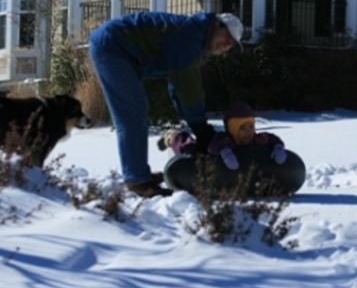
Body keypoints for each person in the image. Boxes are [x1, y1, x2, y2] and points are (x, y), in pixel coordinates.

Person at [89, 11, 244, 198]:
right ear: (217, 25)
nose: (227, 45)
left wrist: (196, 124)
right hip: (112, 47)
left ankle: (139, 175)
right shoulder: (189, 36)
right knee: (132, 113)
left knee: (135, 111)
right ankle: (138, 181)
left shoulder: (195, 37)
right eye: (228, 37)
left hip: (121, 51)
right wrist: (200, 127)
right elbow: (187, 87)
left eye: (232, 44)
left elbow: (177, 86)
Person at [158, 100, 287, 169]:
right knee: (188, 146)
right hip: (206, 147)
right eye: (243, 128)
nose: (248, 131)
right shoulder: (225, 139)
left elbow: (271, 138)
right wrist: (225, 152)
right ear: (233, 128)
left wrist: (278, 147)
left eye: (251, 127)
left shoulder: (256, 139)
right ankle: (172, 136)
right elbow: (214, 146)